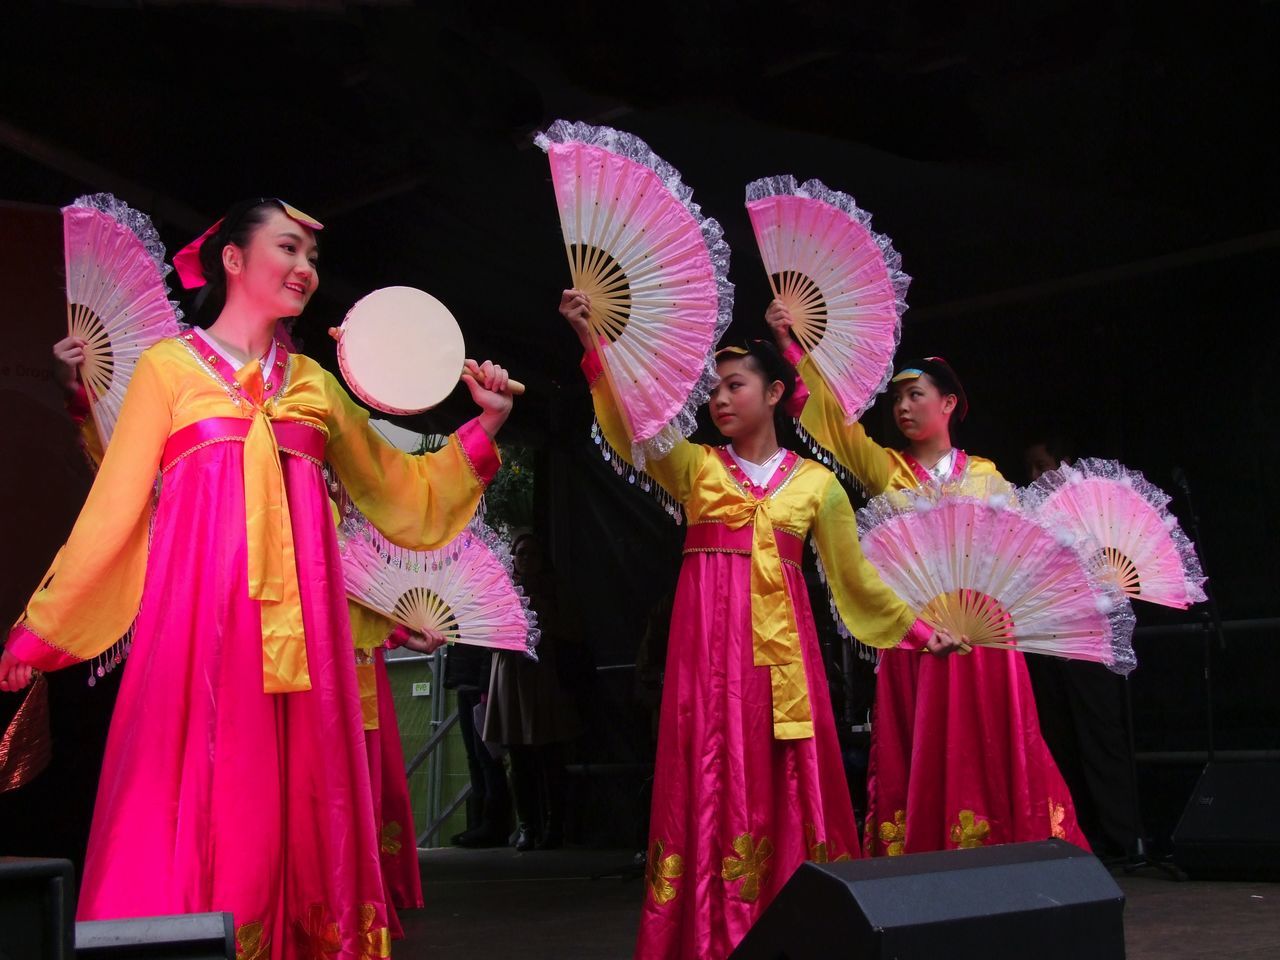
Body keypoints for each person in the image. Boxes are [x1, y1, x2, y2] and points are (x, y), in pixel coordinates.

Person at [0, 197, 514, 957]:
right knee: (204, 794)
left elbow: (397, 493)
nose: (306, 269)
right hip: (198, 631)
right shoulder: (168, 370)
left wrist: (486, 427)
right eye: (289, 249)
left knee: (305, 804)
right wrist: (44, 628)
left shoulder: (312, 382)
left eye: (312, 257)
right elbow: (112, 511)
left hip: (305, 641)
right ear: (234, 261)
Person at [562, 289, 963, 960]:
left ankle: (794, 924)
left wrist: (919, 632)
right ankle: (708, 932)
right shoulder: (694, 468)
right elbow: (634, 427)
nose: (718, 399)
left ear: (776, 392)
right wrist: (591, 346)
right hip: (705, 665)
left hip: (782, 671)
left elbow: (856, 582)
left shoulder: (816, 486)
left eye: (735, 385)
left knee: (786, 777)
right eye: (713, 389)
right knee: (708, 774)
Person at [769, 299, 1088, 857]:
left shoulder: (987, 477)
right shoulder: (885, 469)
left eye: (916, 395)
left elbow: (1030, 555)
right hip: (916, 634)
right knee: (919, 745)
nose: (903, 407)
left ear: (949, 404)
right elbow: (825, 422)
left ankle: (1011, 845)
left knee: (991, 744)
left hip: (985, 639)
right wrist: (792, 346)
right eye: (896, 399)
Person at [1023, 436, 1139, 860]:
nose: (1035, 477)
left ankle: (1120, 834)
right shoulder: (1033, 515)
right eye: (1031, 469)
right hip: (1049, 636)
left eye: (1042, 465)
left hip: (1090, 637)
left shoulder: (1092, 509)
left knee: (1098, 733)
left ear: (1064, 462)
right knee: (1059, 736)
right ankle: (1078, 831)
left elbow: (1112, 572)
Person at [484, 530, 582, 851]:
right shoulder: (499, 589)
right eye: (520, 553)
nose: (525, 559)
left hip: (543, 677)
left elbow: (570, 628)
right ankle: (527, 825)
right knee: (518, 757)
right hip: (510, 676)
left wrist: (539, 614)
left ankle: (555, 827)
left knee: (550, 756)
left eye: (531, 554)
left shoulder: (554, 591)